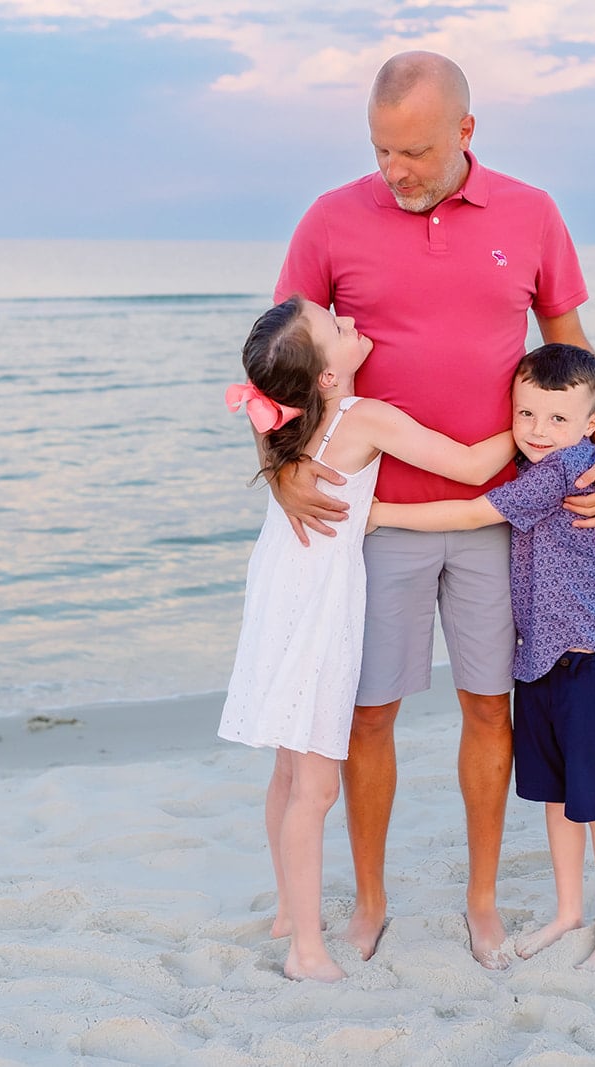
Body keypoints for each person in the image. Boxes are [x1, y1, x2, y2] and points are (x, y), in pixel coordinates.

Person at [269, 50, 595, 969]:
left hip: (501, 521)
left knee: (489, 708)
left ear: (465, 132)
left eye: (416, 152)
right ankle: (370, 901)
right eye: (381, 150)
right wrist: (280, 470)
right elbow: (278, 365)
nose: (395, 170)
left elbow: (572, 349)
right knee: (368, 717)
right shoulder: (329, 218)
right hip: (374, 521)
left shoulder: (532, 212)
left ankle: (481, 901)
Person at [217, 296, 516, 983]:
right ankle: (306, 951)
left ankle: (289, 912)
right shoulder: (361, 416)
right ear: (326, 376)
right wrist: (536, 434)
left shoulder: (291, 423)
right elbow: (471, 466)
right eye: (335, 326)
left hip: (278, 595)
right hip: (319, 610)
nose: (349, 321)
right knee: (316, 788)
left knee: (288, 770)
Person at [370, 343, 595, 971]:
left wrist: (378, 513)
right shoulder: (537, 457)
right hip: (540, 658)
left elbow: (471, 511)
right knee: (558, 796)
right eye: (526, 414)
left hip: (586, 657)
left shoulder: (562, 470)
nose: (539, 430)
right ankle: (568, 912)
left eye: (558, 418)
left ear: (594, 424)